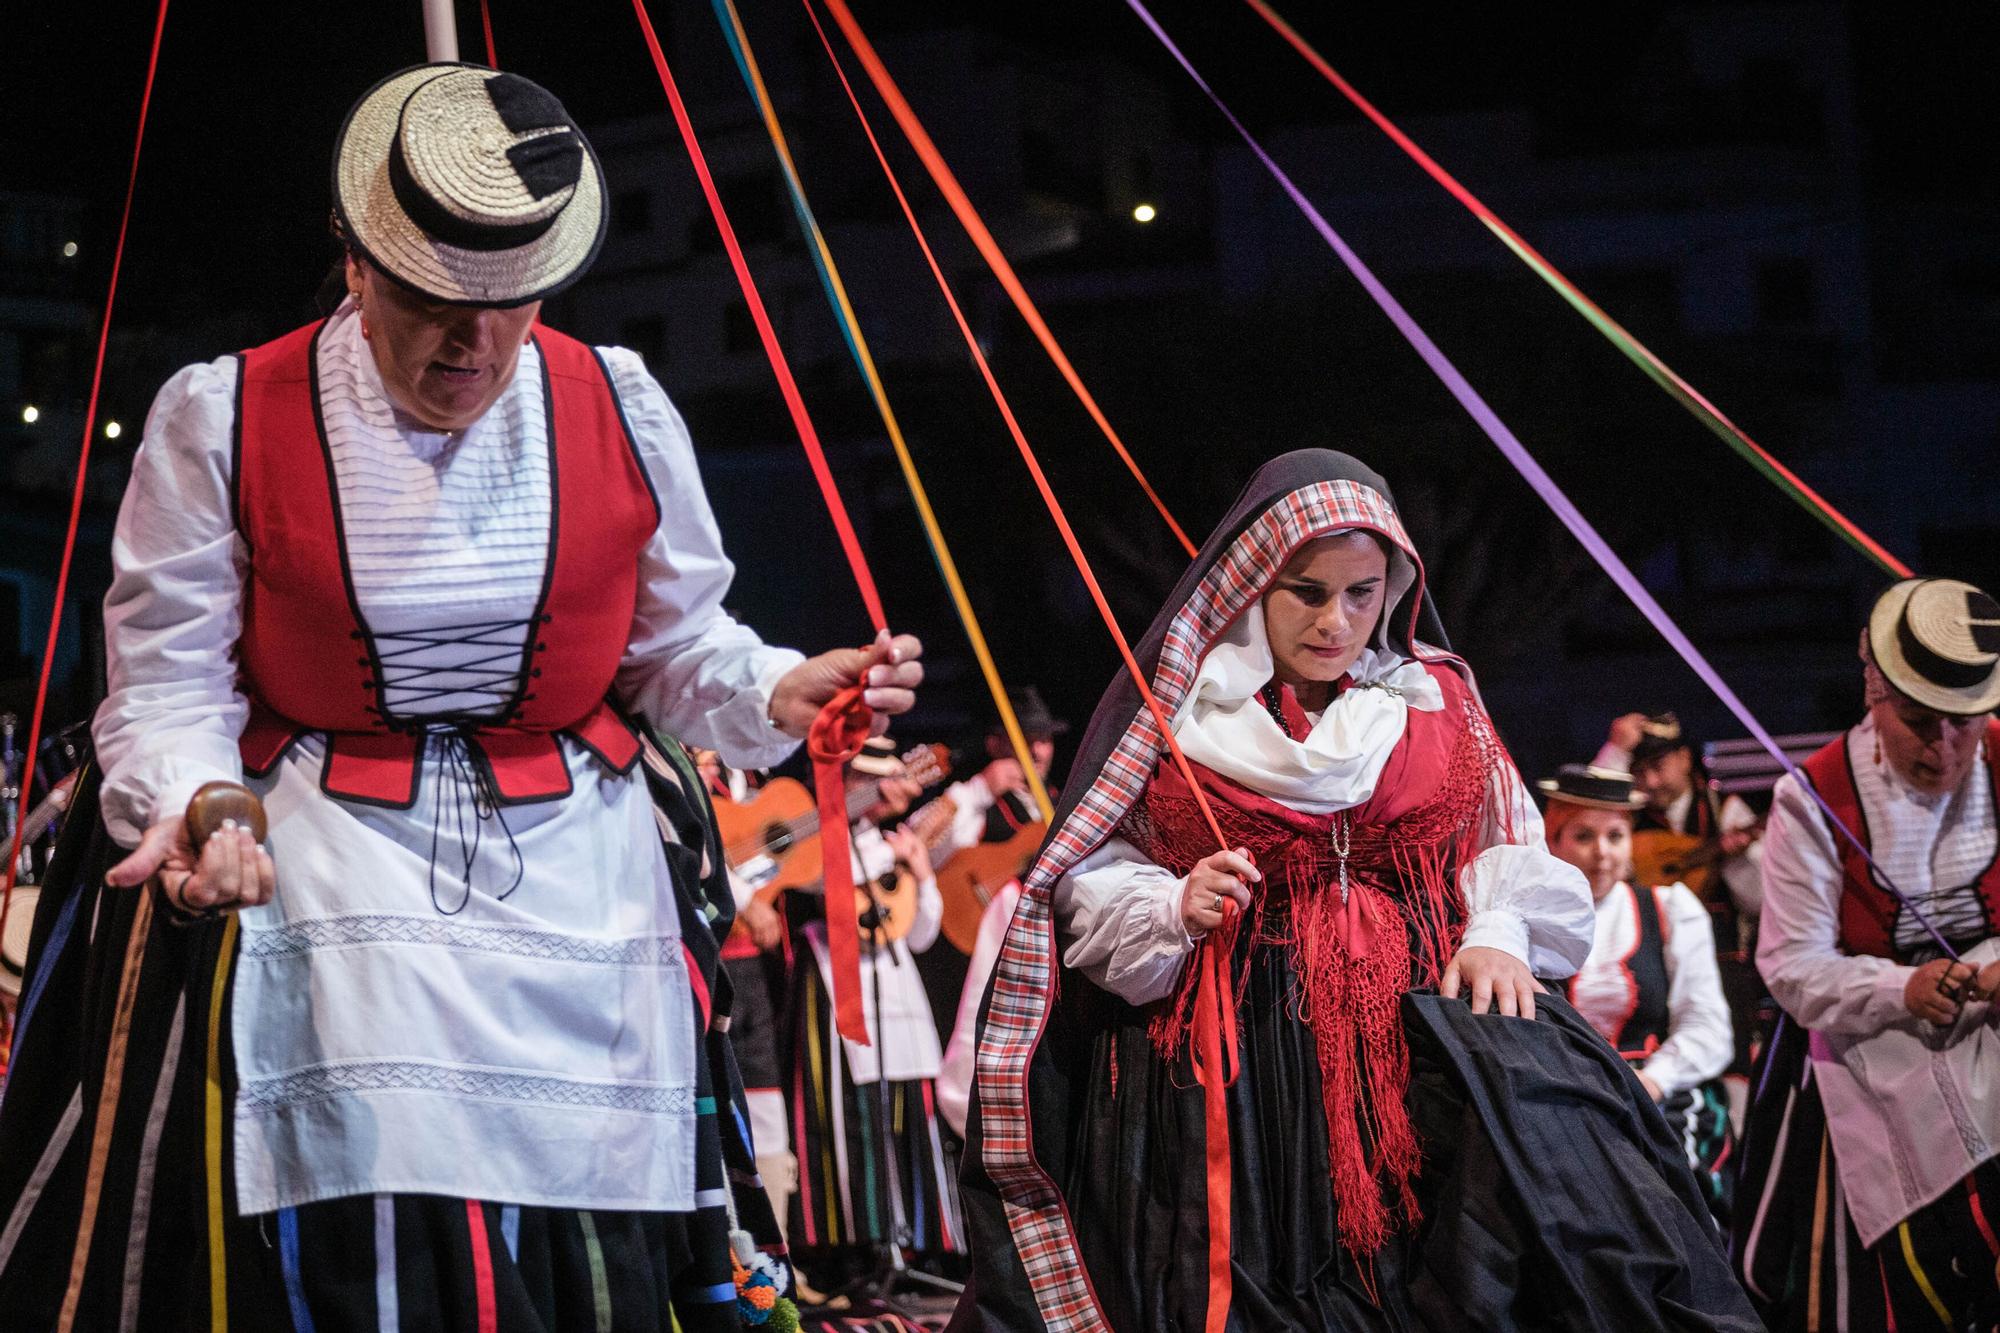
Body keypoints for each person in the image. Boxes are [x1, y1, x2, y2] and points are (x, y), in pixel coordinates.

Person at [0, 64, 923, 1329]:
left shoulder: (619, 403)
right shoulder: (224, 416)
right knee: (373, 1220)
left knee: (592, 1222)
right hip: (317, 859)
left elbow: (671, 648)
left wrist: (775, 685)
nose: (473, 343)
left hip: (579, 886)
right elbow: (166, 676)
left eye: (510, 303)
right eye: (436, 299)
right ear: (356, 262)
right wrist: (206, 800)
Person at [949, 450, 1757, 1333]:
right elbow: (1090, 873)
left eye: (1363, 593)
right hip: (1238, 1065)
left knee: (1491, 1257)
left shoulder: (1437, 698)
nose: (1338, 621)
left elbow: (1508, 837)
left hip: (1418, 1037)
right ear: (1256, 581)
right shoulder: (1176, 716)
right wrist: (1174, 902)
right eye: (1307, 590)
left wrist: (1496, 930)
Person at [1734, 577, 2000, 1331]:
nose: (1944, 746)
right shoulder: (1812, 797)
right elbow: (1791, 963)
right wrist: (1903, 988)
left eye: (1965, 723)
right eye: (1920, 721)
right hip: (1864, 1064)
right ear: (1873, 693)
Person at [786, 737, 962, 1274]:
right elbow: (823, 880)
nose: (883, 790)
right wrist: (890, 851)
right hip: (837, 984)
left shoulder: (894, 843)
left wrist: (921, 869)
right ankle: (850, 1251)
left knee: (907, 1114)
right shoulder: (819, 835)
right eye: (867, 779)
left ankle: (911, 1243)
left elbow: (924, 934)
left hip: (897, 990)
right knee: (848, 1118)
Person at [1541, 763, 1736, 1219]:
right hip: (1564, 1098)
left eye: (1615, 836)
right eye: (1583, 836)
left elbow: (1709, 1026)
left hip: (1657, 1095)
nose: (1602, 854)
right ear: (1553, 842)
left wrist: (1653, 1081)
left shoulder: (1669, 909)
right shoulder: (1531, 923)